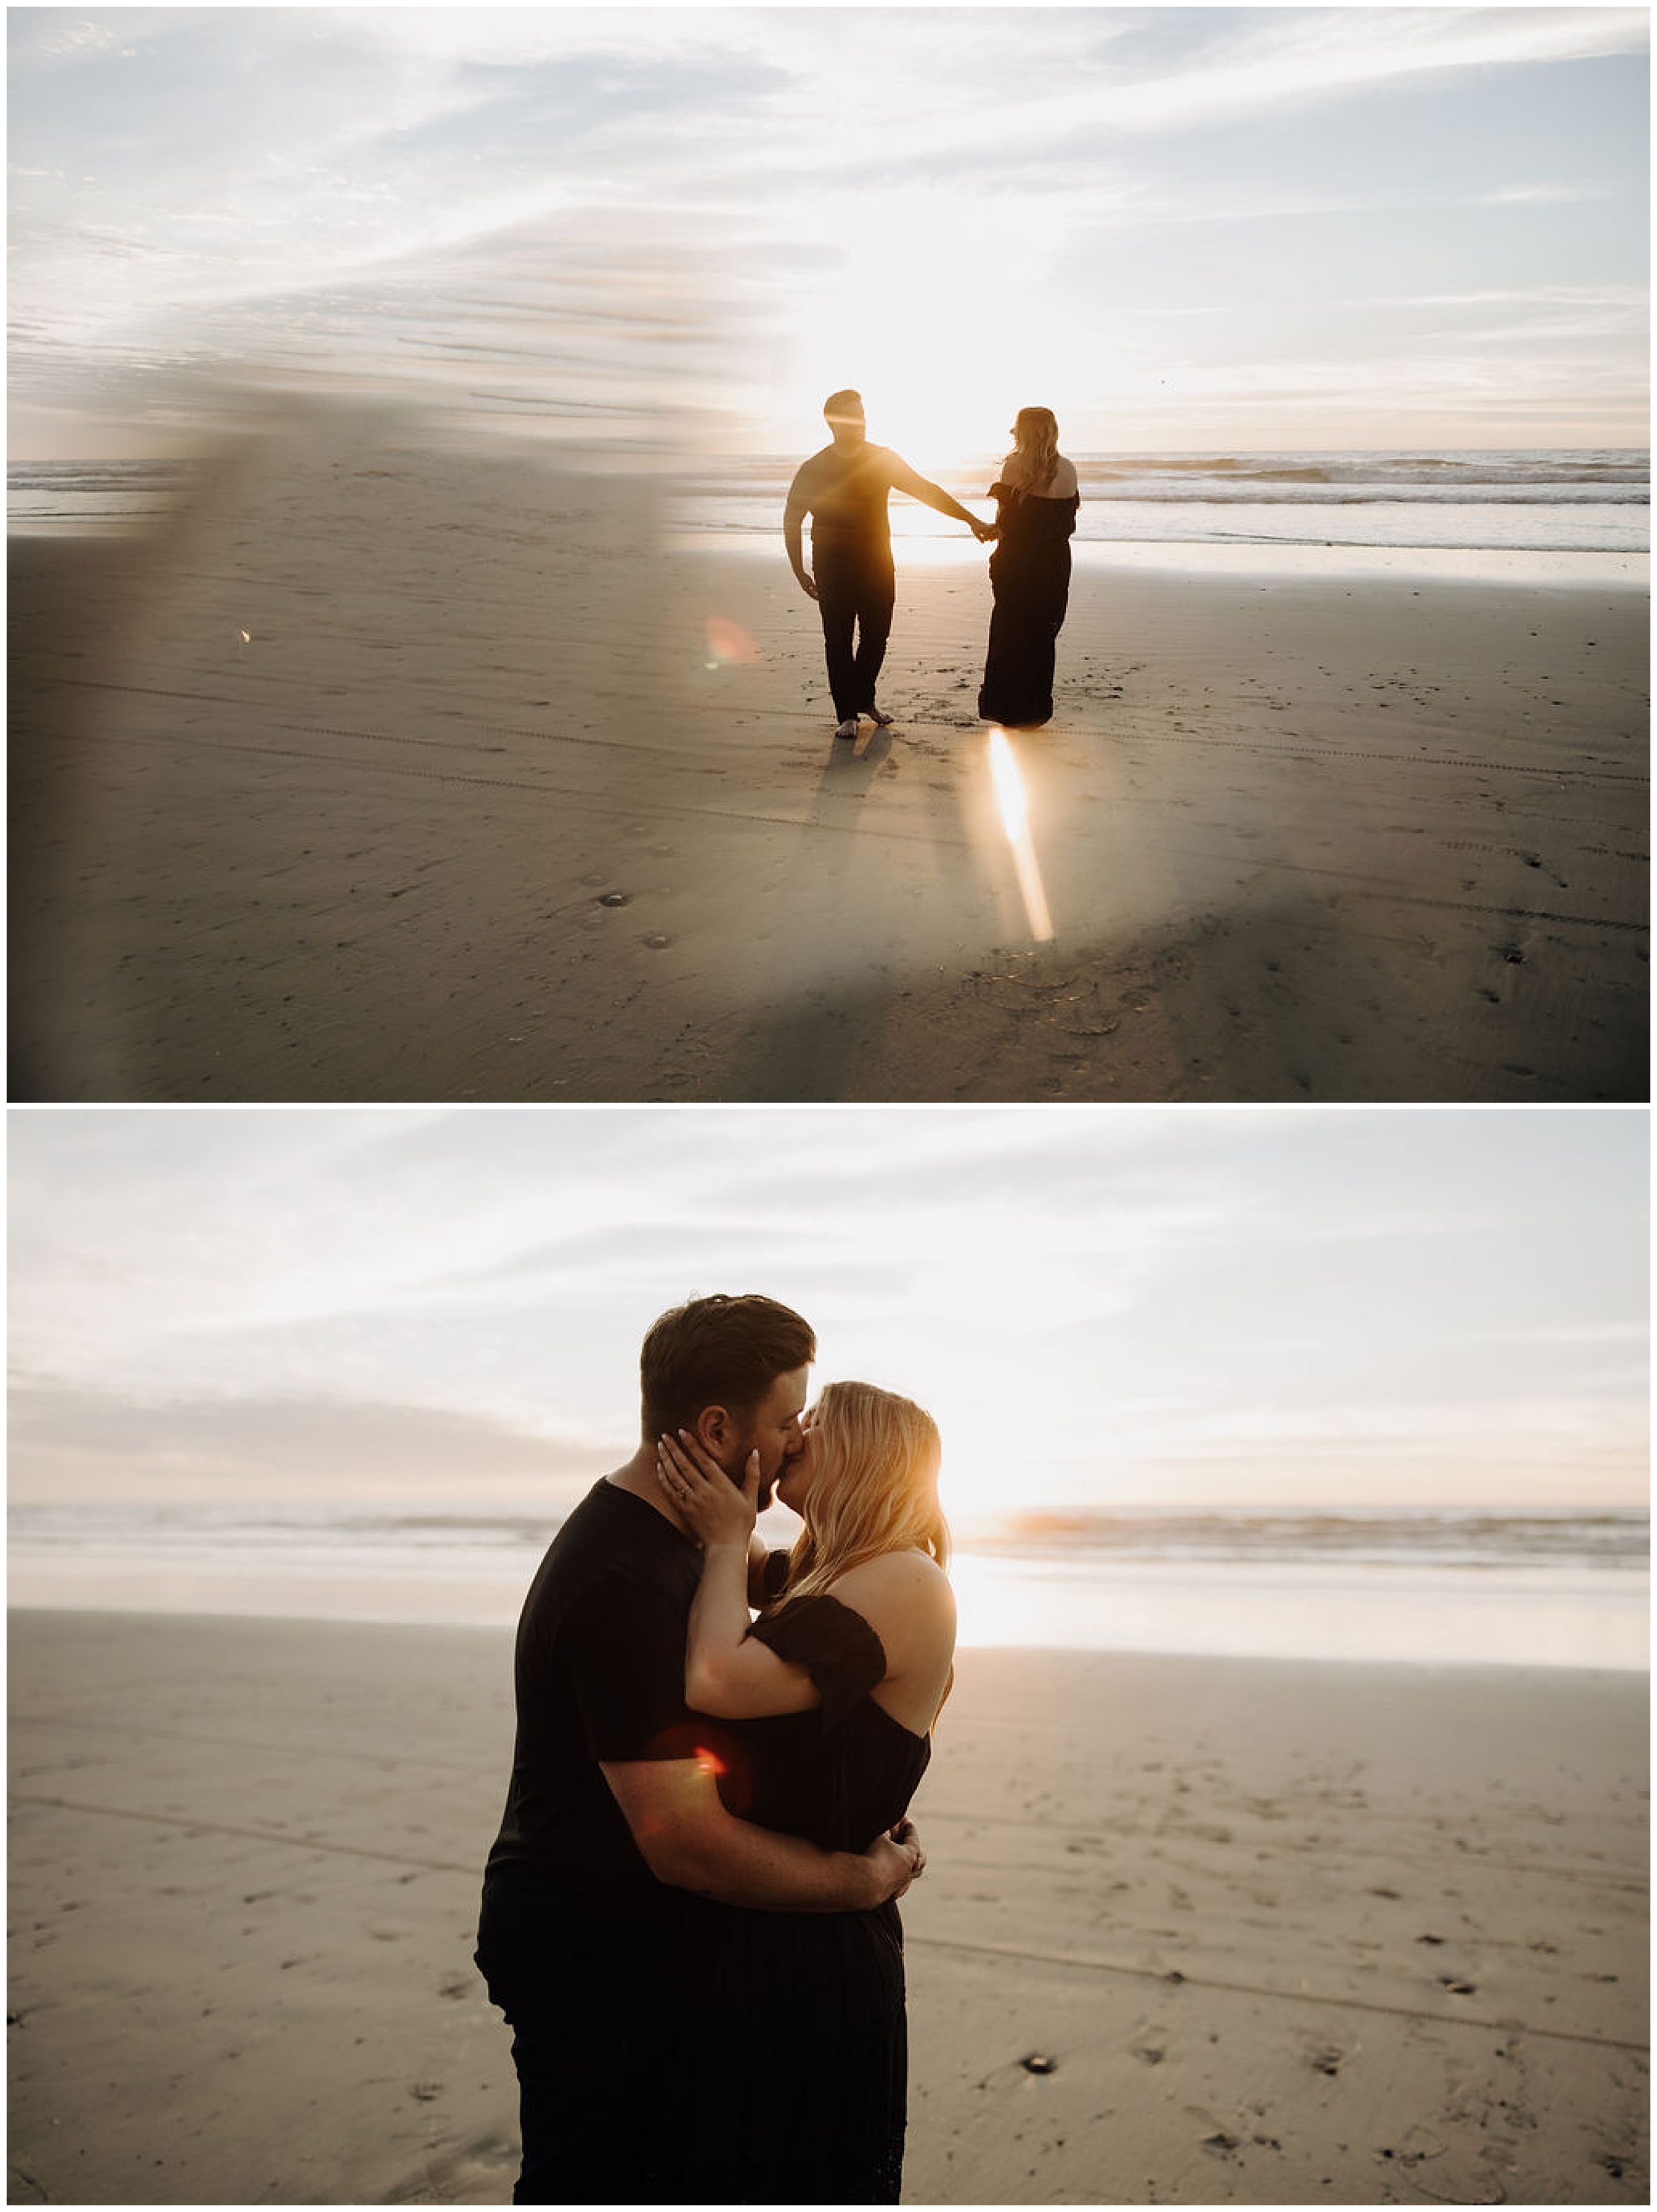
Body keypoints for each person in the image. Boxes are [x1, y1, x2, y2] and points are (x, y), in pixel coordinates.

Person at [474, 1296, 927, 2207]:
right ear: (719, 1428)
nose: (799, 1438)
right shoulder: (622, 1577)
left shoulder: (680, 1543)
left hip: (651, 1947)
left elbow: (802, 1586)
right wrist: (862, 1879)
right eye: (788, 1420)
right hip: (591, 1949)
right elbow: (685, 1841)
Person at [652, 1378, 956, 2204]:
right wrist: (717, 1503)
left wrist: (724, 1542)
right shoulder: (833, 1570)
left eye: (812, 1428)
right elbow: (748, 1571)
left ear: (862, 1455)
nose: (792, 1440)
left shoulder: (903, 1580)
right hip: (753, 1932)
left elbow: (717, 1678)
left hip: (810, 1963)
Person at [785, 389, 994, 741]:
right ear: (834, 422)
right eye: (855, 415)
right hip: (831, 564)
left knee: (876, 637)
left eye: (864, 414)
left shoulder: (881, 459)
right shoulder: (814, 468)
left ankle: (863, 697)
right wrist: (798, 569)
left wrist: (971, 519)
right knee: (837, 640)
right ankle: (847, 715)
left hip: (877, 562)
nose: (863, 422)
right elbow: (792, 520)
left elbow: (926, 491)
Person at [978, 406, 1081, 728]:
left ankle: (1007, 708)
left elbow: (1007, 522)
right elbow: (1067, 522)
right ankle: (1036, 710)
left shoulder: (1014, 466)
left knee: (1010, 629)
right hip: (1054, 561)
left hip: (1018, 559)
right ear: (1053, 431)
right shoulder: (1069, 469)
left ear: (1021, 432)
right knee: (1042, 631)